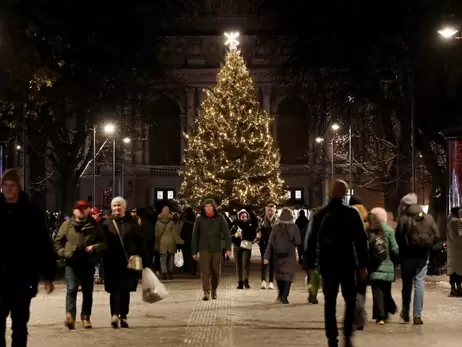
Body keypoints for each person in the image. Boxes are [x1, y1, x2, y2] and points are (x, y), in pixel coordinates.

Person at [304, 180, 368, 347]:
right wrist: (363, 265)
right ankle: (347, 333)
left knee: (330, 302)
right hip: (347, 263)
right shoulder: (352, 213)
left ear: (330, 193)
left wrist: (310, 265)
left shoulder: (320, 214)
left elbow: (310, 241)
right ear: (345, 194)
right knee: (350, 299)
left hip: (327, 264)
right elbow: (361, 240)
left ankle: (332, 338)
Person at [0, 168, 55, 347]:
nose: (8, 189)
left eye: (12, 185)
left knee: (20, 325)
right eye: (5, 185)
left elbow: (43, 246)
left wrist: (48, 275)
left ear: (18, 187)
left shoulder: (31, 214)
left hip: (22, 279)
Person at [54, 200, 107, 329]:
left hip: (88, 263)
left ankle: (86, 317)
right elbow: (57, 242)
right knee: (71, 289)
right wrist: (64, 253)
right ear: (74, 211)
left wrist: (94, 247)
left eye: (84, 208)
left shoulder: (94, 226)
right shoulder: (67, 225)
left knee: (87, 291)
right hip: (71, 263)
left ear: (88, 210)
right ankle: (70, 317)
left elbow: (104, 242)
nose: (82, 210)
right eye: (79, 208)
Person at [101, 196, 150, 328]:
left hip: (129, 262)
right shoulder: (106, 224)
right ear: (112, 208)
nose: (117, 208)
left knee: (125, 290)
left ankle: (124, 315)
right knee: (114, 290)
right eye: (114, 206)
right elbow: (102, 244)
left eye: (119, 205)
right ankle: (114, 314)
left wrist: (145, 261)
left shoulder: (132, 223)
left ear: (124, 207)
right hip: (111, 262)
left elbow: (140, 242)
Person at [395, 193, 440, 325]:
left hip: (407, 256)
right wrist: (428, 245)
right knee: (419, 283)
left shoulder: (404, 218)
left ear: (406, 205)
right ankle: (417, 315)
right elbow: (437, 235)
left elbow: (398, 236)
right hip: (422, 255)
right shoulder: (429, 218)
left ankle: (405, 312)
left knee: (407, 284)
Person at [191, 198, 231, 301]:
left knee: (215, 271)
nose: (207, 208)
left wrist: (228, 248)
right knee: (205, 271)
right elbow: (195, 236)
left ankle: (214, 289)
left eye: (209, 206)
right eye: (206, 206)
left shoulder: (220, 218)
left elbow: (227, 234)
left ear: (213, 207)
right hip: (203, 248)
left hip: (216, 248)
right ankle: (206, 291)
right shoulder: (199, 219)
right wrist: (194, 251)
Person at [365, 211, 399, 325]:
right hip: (387, 266)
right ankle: (386, 311)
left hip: (374, 266)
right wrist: (395, 261)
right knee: (386, 290)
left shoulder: (368, 231)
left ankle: (381, 316)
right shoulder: (389, 230)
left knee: (377, 291)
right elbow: (395, 249)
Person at [264, 207, 301, 304]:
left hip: (277, 256)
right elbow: (298, 241)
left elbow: (270, 243)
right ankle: (284, 296)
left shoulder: (276, 227)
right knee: (287, 275)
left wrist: (266, 257)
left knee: (279, 275)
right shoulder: (294, 227)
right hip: (290, 256)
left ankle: (280, 295)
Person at [231, 209, 257, 289]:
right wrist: (235, 235)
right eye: (242, 216)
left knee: (246, 263)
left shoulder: (250, 225)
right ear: (239, 217)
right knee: (238, 265)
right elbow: (230, 236)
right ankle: (240, 282)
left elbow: (253, 235)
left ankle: (246, 281)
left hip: (247, 246)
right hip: (237, 246)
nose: (244, 218)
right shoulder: (235, 225)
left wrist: (245, 236)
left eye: (245, 216)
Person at [155, 206, 183, 280]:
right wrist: (179, 241)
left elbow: (156, 234)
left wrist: (156, 242)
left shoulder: (158, 222)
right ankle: (170, 271)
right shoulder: (171, 222)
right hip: (171, 241)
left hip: (162, 241)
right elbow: (174, 233)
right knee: (171, 256)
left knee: (162, 257)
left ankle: (164, 271)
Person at [257, 202, 278, 289]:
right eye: (269, 209)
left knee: (272, 263)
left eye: (272, 210)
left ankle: (271, 282)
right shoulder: (262, 220)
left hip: (274, 244)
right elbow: (258, 229)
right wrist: (258, 235)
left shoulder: (277, 220)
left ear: (274, 210)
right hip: (264, 244)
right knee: (264, 261)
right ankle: (263, 281)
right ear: (266, 210)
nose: (270, 211)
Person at [447, 207, 462, 296]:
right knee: (458, 270)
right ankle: (457, 288)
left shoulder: (450, 221)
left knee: (453, 270)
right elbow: (457, 237)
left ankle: (454, 288)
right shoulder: (456, 222)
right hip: (457, 251)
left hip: (452, 251)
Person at [180, 207, 197, 275]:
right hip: (193, 240)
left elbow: (182, 233)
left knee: (187, 254)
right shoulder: (194, 224)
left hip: (187, 240)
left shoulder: (186, 224)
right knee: (193, 254)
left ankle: (188, 268)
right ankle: (194, 269)